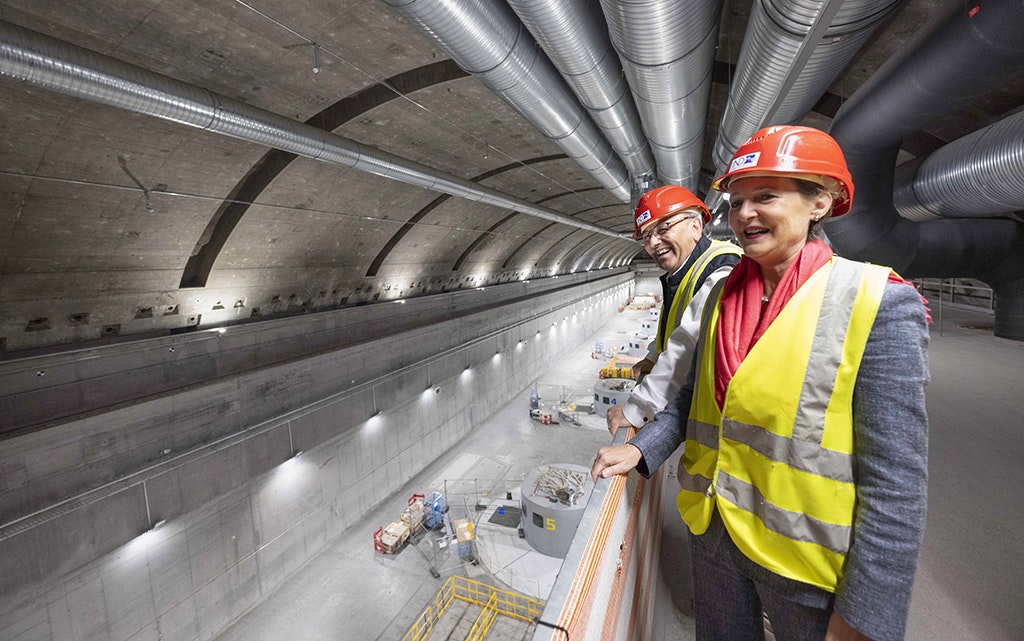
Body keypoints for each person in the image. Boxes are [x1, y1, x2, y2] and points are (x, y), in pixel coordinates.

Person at [591, 125, 930, 641]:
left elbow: (896, 481)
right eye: (736, 201)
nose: (745, 213)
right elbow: (693, 400)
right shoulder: (722, 295)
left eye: (766, 196)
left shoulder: (877, 303)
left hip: (804, 563)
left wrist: (867, 616)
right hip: (713, 531)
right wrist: (641, 449)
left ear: (821, 201)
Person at [605, 185, 741, 436]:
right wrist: (654, 356)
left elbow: (686, 345)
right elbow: (673, 324)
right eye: (646, 236)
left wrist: (635, 409)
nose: (653, 242)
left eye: (663, 229)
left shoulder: (721, 268)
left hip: (713, 420)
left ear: (696, 227)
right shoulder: (682, 272)